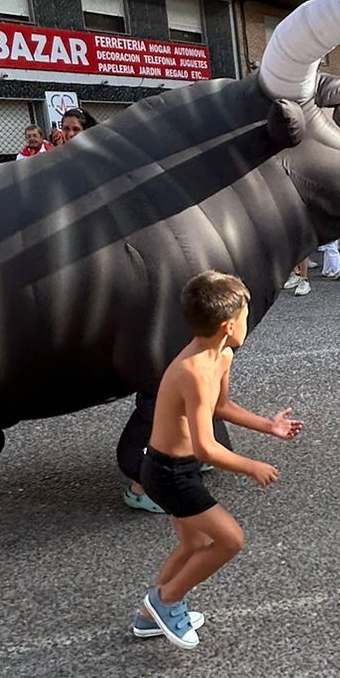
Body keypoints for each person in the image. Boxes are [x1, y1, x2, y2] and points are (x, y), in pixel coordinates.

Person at [130, 270, 303, 649]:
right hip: (167, 472)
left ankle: (148, 617)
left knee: (194, 546)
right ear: (228, 326)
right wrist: (250, 466)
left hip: (179, 468)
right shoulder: (191, 371)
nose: (247, 323)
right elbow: (206, 448)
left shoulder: (221, 356)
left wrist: (268, 426)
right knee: (230, 539)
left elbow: (220, 406)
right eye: (245, 316)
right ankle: (166, 601)